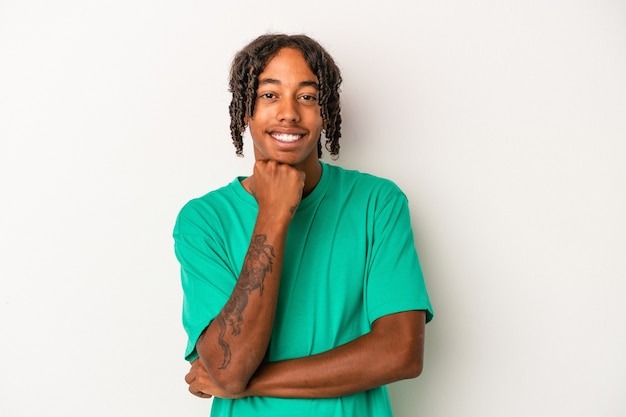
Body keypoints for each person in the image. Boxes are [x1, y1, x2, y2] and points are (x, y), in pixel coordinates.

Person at [173, 33, 434, 417]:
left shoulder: (377, 202)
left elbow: (401, 353)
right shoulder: (204, 220)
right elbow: (230, 366)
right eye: (269, 95)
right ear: (245, 110)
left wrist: (249, 384)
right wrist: (273, 215)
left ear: (325, 111)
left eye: (307, 97)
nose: (289, 113)